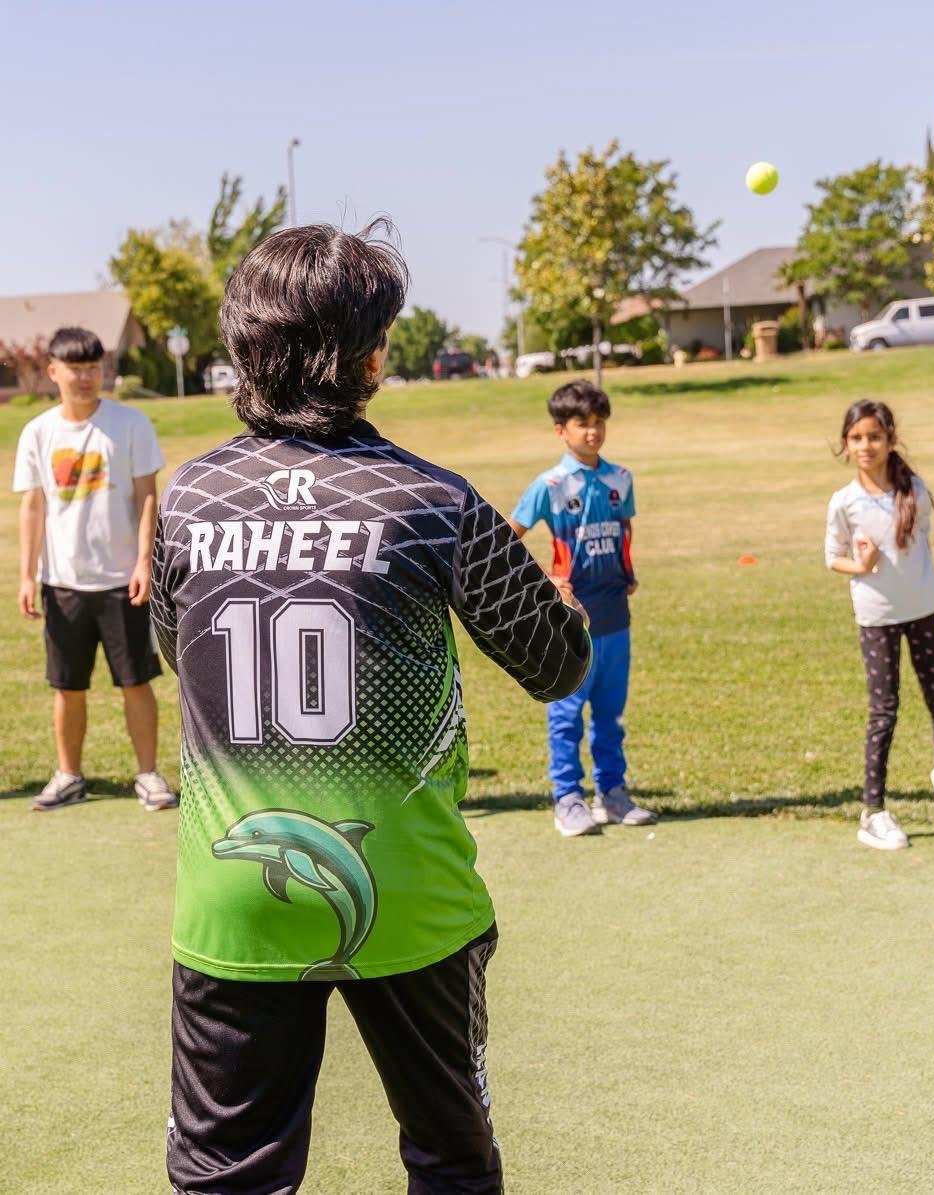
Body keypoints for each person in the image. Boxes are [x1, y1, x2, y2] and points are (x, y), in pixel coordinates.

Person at [150, 222, 591, 1194]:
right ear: (363, 359)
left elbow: (173, 652)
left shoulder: (187, 498)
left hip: (235, 908)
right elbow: (558, 670)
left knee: (225, 1176)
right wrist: (563, 597)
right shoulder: (430, 501)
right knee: (448, 1162)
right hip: (407, 900)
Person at [13, 326, 177, 812]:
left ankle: (148, 775)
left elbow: (148, 497)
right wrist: (27, 575)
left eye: (93, 368)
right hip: (63, 582)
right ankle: (68, 776)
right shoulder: (38, 432)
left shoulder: (130, 424)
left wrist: (145, 561)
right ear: (53, 372)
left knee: (135, 682)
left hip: (121, 580)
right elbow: (33, 508)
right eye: (74, 369)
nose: (85, 378)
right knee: (67, 686)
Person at [508, 380, 655, 838]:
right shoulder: (549, 485)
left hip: (615, 613)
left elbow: (623, 526)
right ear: (560, 431)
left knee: (611, 713)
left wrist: (626, 569)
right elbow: (506, 539)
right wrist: (545, 581)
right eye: (581, 424)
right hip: (570, 620)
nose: (593, 432)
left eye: (599, 423)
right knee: (567, 712)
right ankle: (567, 799)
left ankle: (612, 793)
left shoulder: (620, 478)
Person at [825, 399, 934, 850]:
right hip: (877, 618)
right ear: (845, 444)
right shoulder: (844, 503)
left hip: (922, 610)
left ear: (890, 440)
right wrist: (860, 565)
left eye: (874, 437)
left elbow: (920, 543)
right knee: (885, 710)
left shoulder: (914, 490)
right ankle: (874, 810)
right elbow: (833, 558)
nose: (866, 445)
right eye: (857, 438)